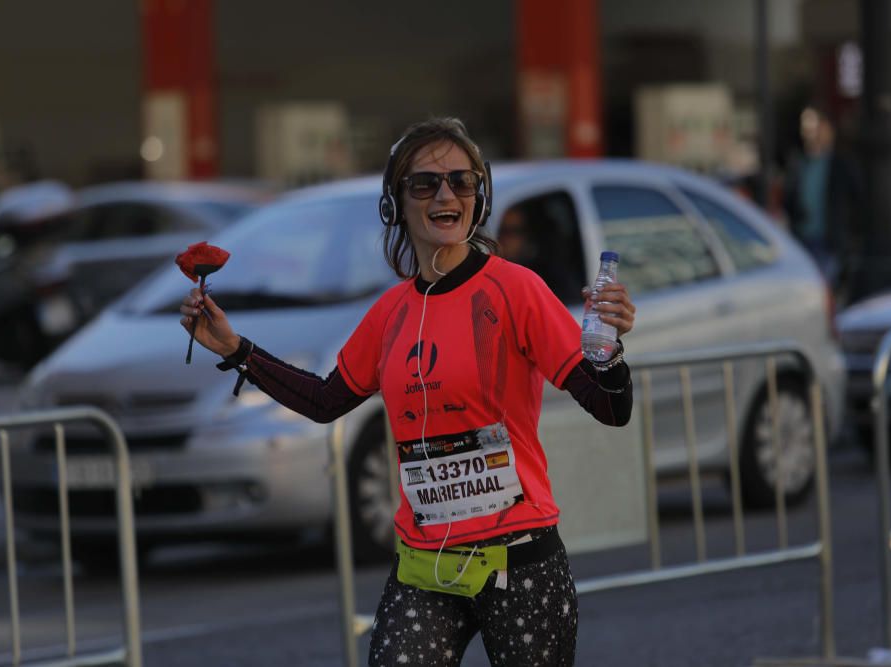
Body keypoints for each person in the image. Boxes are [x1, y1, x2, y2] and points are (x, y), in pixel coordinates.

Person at [179, 117, 636, 666]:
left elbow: (611, 407)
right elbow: (327, 401)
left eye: (462, 182)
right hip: (426, 563)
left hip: (518, 557)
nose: (446, 194)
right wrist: (235, 349)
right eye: (425, 184)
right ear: (395, 205)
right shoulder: (391, 312)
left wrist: (608, 355)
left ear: (479, 197)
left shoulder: (516, 290)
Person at [783, 104, 864, 299]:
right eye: (806, 128)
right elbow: (789, 199)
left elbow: (859, 201)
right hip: (803, 240)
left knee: (822, 291)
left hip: (830, 242)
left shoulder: (841, 163)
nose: (809, 133)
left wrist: (849, 235)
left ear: (827, 129)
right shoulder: (799, 162)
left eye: (815, 127)